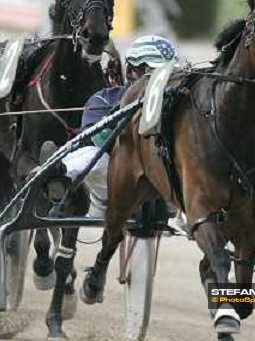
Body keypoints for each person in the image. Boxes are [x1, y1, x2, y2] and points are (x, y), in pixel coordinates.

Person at [41, 35, 178, 219]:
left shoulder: (178, 103)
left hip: (162, 184)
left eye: (168, 73)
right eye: (151, 71)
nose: (162, 80)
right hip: (115, 184)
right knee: (90, 154)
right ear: (130, 72)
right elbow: (98, 140)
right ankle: (58, 173)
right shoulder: (104, 99)